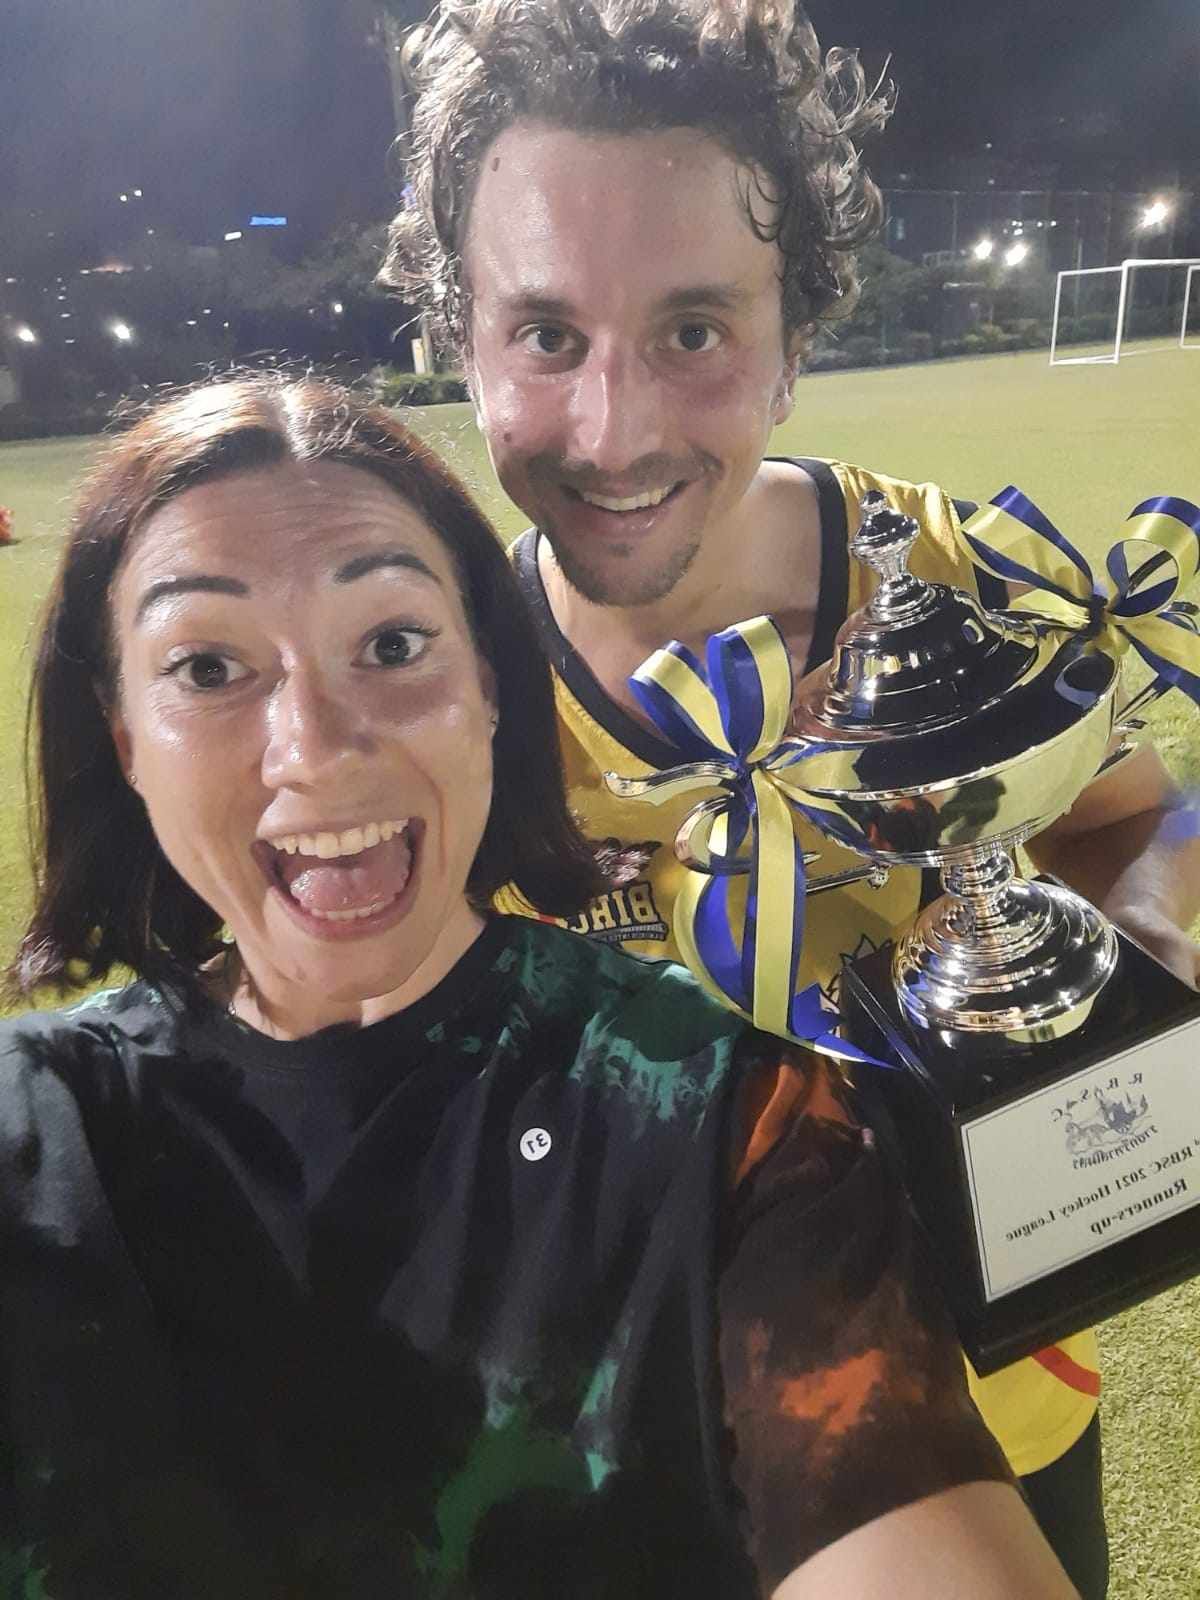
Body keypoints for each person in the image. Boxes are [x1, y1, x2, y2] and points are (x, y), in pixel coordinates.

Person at [0, 374, 1077, 1597]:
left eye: (394, 643)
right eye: (207, 667)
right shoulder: (40, 1136)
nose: (316, 746)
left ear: (494, 683)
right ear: (120, 729)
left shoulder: (734, 1121)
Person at [381, 3, 1200, 1594]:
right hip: (630, 1450)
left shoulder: (955, 567)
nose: (616, 434)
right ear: (457, 341)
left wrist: (1126, 993)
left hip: (992, 1403)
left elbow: (1145, 816)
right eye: (547, 336)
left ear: (797, 335)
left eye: (694, 330)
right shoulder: (430, 683)